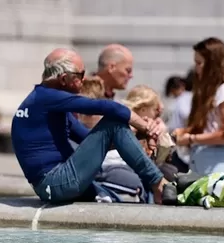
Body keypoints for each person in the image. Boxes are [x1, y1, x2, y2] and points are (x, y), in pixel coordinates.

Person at [11, 48, 167, 204]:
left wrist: (138, 135)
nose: (84, 80)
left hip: (56, 183)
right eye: (80, 75)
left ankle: (159, 187)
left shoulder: (50, 105)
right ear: (64, 79)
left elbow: (90, 139)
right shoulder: (45, 97)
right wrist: (147, 128)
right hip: (55, 183)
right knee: (113, 121)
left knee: (118, 202)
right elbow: (111, 108)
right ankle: (158, 183)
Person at [174, 37, 224, 175]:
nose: (196, 69)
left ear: (213, 64)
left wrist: (191, 138)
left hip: (220, 164)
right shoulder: (212, 91)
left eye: (199, 63)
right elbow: (210, 127)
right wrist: (184, 132)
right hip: (205, 162)